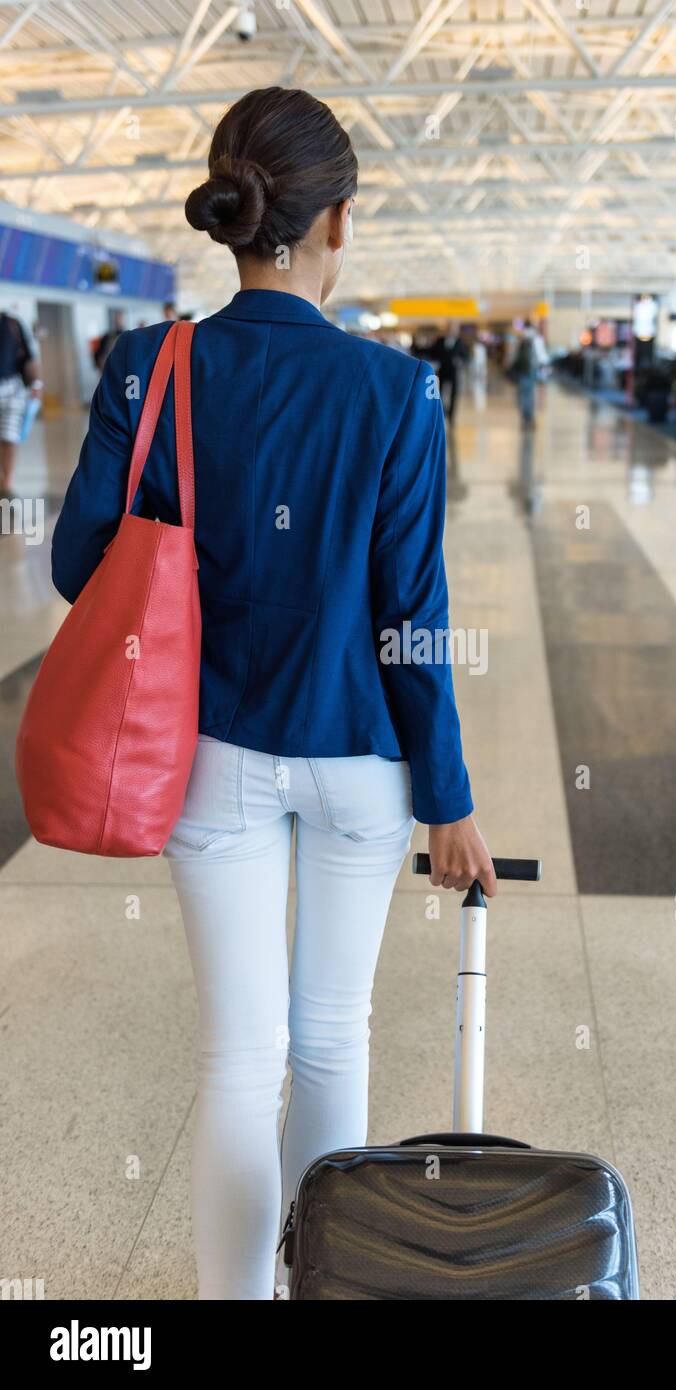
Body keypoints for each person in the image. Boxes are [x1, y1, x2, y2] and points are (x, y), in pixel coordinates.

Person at [50, 85, 495, 1302]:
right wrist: (447, 798)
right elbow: (414, 615)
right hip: (360, 758)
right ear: (336, 223)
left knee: (241, 1057)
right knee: (332, 1035)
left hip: (209, 753)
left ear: (233, 212)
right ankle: (331, 1289)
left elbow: (75, 566)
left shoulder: (151, 366)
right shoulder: (397, 394)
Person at [0, 310, 42, 493]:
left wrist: (36, 383)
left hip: (11, 389)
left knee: (9, 437)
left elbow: (29, 357)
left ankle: (6, 484)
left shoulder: (12, 324)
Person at [430, 321, 467, 424]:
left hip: (454, 371)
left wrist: (460, 361)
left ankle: (451, 416)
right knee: (440, 393)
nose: (452, 330)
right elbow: (432, 353)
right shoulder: (440, 340)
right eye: (450, 328)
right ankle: (441, 413)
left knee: (454, 394)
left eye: (454, 328)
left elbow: (465, 356)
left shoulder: (460, 342)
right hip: (442, 370)